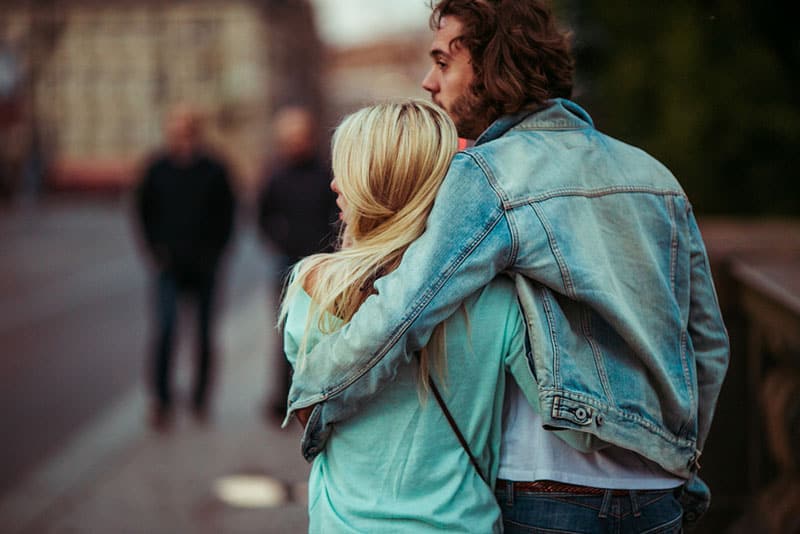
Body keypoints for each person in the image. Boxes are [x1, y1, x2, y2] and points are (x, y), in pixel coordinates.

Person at [285, 1, 730, 532]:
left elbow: (403, 310)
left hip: (549, 485)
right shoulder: (654, 175)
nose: (430, 82)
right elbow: (706, 342)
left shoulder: (486, 175)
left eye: (444, 62)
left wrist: (313, 396)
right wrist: (683, 462)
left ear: (492, 66)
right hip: (657, 492)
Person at [283, 98, 577, 532]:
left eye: (346, 168)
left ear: (375, 180)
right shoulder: (499, 295)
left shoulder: (317, 286)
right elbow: (558, 414)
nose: (333, 184)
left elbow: (311, 413)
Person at [135, 104, 236, 429]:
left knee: (205, 335)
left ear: (196, 130)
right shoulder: (157, 168)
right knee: (165, 330)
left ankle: (200, 399)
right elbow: (142, 211)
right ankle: (161, 401)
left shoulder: (215, 168)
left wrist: (216, 252)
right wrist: (153, 250)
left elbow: (229, 214)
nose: (182, 136)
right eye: (176, 130)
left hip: (205, 266)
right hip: (168, 266)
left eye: (187, 129)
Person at [257, 105, 338, 420]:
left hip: (321, 264)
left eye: (299, 137)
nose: (294, 143)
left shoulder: (324, 174)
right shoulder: (275, 175)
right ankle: (284, 397)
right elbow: (262, 214)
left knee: (319, 333)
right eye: (289, 138)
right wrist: (279, 239)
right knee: (284, 333)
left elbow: (336, 215)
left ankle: (314, 397)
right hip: (287, 262)